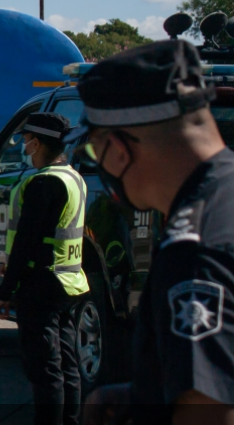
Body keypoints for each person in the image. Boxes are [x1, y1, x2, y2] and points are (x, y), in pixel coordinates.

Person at [72, 40, 234, 425]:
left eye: (95, 153)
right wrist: (143, 394)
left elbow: (209, 412)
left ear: (118, 148)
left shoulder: (196, 251)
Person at [0, 113, 87, 425]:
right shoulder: (72, 177)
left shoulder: (43, 182)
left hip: (41, 283)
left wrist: (5, 293)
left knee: (44, 367)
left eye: (26, 139)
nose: (23, 145)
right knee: (68, 364)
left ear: (37, 142)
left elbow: (26, 242)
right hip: (69, 281)